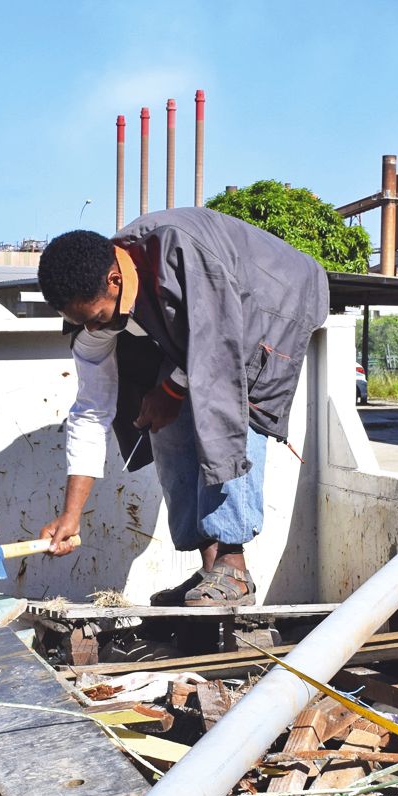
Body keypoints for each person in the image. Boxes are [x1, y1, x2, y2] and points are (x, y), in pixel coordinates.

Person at [35, 208, 328, 605]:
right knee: (162, 420)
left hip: (271, 302)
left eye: (98, 318)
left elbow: (223, 348)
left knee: (228, 405)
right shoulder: (91, 316)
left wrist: (171, 390)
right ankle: (212, 573)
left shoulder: (181, 254)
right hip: (206, 324)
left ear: (114, 280)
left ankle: (233, 570)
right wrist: (71, 514)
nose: (94, 330)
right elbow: (91, 410)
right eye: (83, 322)